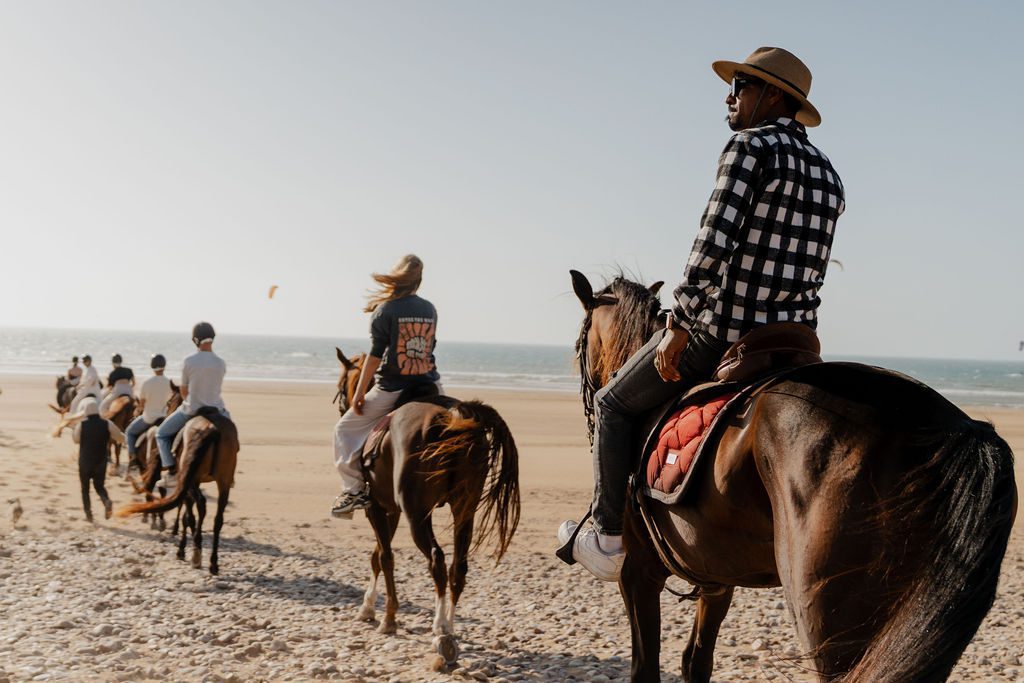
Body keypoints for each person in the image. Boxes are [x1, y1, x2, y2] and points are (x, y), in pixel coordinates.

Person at [558, 47, 846, 581]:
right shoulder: (830, 175)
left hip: (725, 331)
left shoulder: (750, 147)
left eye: (741, 85)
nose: (730, 96)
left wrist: (680, 324)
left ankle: (606, 534)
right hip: (799, 340)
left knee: (613, 402)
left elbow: (712, 244)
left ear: (773, 96)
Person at [330, 254, 443, 518]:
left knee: (343, 430)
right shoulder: (430, 309)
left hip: (393, 387)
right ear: (419, 280)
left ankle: (354, 490)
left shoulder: (386, 310)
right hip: (431, 383)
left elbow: (376, 355)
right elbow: (431, 346)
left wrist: (359, 394)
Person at [147, 323, 228, 491]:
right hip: (218, 410)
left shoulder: (189, 361)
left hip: (192, 409)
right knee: (231, 435)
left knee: (161, 434)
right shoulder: (221, 363)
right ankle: (228, 472)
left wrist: (191, 400)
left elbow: (184, 391)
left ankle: (171, 472)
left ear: (195, 340)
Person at [72, 398, 125, 522]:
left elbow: (76, 440)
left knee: (85, 489)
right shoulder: (107, 423)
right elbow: (120, 437)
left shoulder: (82, 425)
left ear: (85, 411)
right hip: (101, 461)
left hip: (85, 461)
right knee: (99, 486)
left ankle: (89, 515)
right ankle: (106, 500)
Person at [124, 354, 173, 468]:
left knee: (129, 432)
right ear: (164, 366)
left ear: (152, 366)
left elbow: (141, 405)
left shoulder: (147, 383)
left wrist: (137, 412)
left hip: (149, 418)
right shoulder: (170, 383)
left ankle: (133, 458)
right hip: (164, 418)